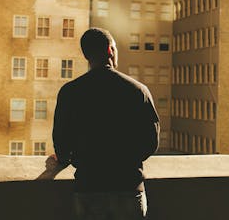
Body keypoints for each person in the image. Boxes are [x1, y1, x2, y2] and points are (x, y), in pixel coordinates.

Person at [52, 27, 160, 219]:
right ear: (110, 50)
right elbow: (151, 142)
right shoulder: (138, 91)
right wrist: (125, 159)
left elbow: (61, 143)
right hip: (128, 187)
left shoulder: (69, 93)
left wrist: (68, 158)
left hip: (88, 188)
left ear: (86, 55)